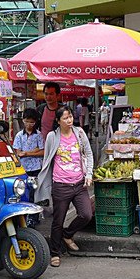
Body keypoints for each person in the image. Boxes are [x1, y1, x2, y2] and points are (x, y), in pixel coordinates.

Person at [37, 106, 93, 267]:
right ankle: (55, 252)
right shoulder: (52, 137)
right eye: (65, 118)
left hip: (79, 183)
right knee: (58, 221)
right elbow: (47, 160)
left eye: (70, 117)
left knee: (86, 214)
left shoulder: (80, 133)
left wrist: (88, 174)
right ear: (58, 121)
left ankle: (67, 235)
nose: (69, 120)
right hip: (61, 185)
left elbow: (88, 154)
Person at [13, 108, 45, 177]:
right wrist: (35, 150)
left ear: (35, 122)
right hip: (23, 167)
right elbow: (19, 153)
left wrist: (26, 153)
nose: (29, 124)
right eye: (26, 121)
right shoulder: (19, 135)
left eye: (31, 122)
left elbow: (43, 152)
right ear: (23, 120)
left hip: (36, 167)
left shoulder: (39, 135)